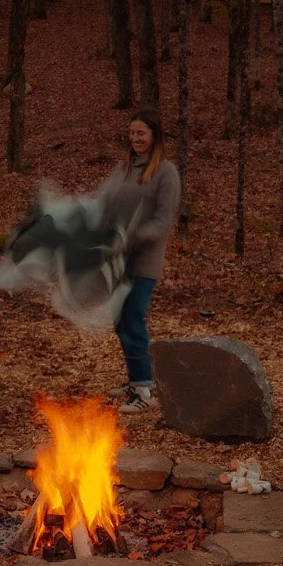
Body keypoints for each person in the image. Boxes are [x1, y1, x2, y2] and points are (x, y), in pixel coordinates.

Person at [97, 109, 180, 414]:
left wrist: (134, 237)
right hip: (116, 260)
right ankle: (136, 379)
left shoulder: (165, 172)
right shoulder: (124, 168)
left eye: (141, 133)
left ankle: (144, 390)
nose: (135, 139)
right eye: (132, 133)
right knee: (120, 322)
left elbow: (163, 220)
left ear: (154, 135)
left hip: (143, 262)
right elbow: (106, 207)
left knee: (133, 321)